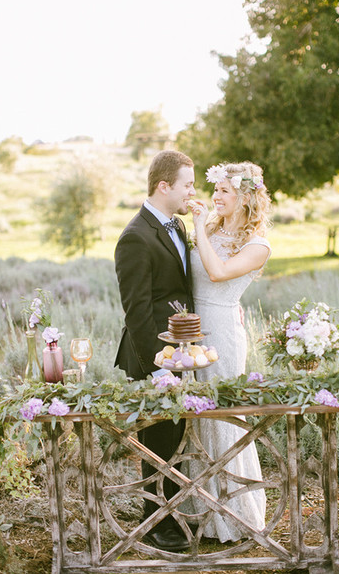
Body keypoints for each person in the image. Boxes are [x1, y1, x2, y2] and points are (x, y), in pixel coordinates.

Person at [114, 150, 196, 551]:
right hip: (152, 355)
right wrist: (158, 367)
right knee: (158, 443)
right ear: (164, 186)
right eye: (187, 185)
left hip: (180, 350)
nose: (192, 192)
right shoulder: (135, 237)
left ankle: (173, 516)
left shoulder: (176, 224)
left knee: (176, 437)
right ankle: (156, 525)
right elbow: (137, 313)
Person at [186, 161, 271, 542]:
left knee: (222, 418)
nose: (215, 197)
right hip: (191, 331)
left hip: (221, 332)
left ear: (245, 197)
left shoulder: (258, 246)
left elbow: (218, 273)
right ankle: (200, 509)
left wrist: (196, 227)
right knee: (197, 417)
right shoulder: (212, 230)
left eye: (223, 191)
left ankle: (235, 513)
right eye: (215, 190)